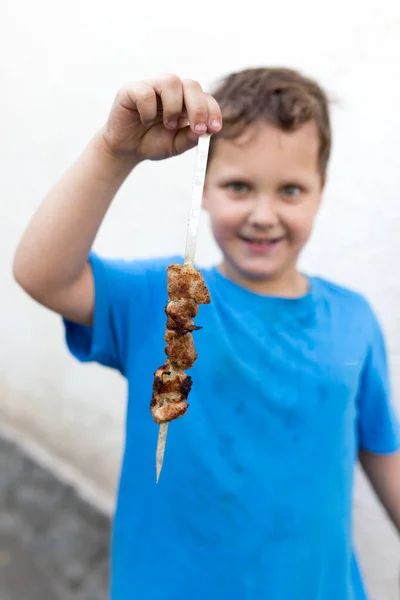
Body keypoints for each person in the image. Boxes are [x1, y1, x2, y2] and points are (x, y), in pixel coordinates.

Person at [13, 68, 400, 600]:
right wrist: (114, 152)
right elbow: (43, 275)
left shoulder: (354, 320)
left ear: (320, 190)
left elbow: (384, 453)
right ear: (206, 188)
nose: (263, 215)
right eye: (239, 186)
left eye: (290, 190)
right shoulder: (168, 297)